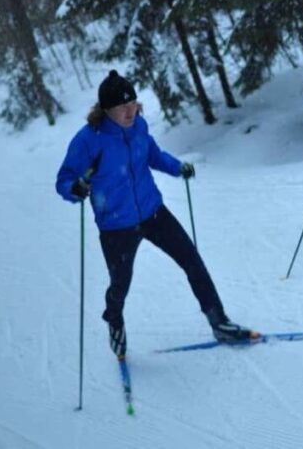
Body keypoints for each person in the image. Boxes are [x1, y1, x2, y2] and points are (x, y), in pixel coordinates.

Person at [56, 70, 256, 358]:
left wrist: (177, 167)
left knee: (192, 260)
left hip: (152, 212)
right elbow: (64, 180)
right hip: (116, 226)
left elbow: (153, 154)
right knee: (120, 285)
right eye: (121, 107)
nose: (130, 111)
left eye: (133, 103)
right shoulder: (88, 140)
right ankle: (115, 320)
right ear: (106, 110)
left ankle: (219, 322)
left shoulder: (139, 126)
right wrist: (74, 188)